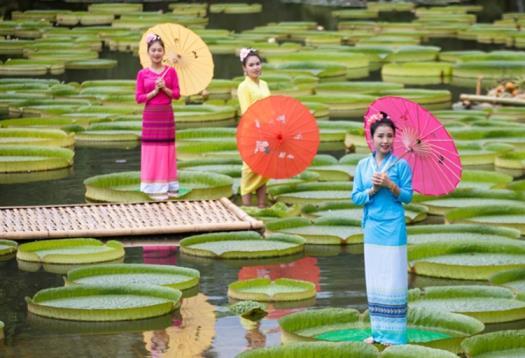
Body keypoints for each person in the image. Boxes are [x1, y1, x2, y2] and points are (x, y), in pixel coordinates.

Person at [351, 111, 413, 346]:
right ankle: (378, 333)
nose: (385, 141)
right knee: (376, 280)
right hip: (373, 227)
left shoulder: (402, 165)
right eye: (381, 136)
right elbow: (355, 197)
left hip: (394, 227)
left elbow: (408, 197)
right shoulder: (362, 165)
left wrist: (391, 185)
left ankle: (395, 337)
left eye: (389, 136)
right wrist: (372, 191)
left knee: (394, 280)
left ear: (394, 139)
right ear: (372, 138)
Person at [135, 33, 181, 201]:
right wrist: (153, 92)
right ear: (148, 52)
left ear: (164, 52)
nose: (156, 53)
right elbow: (138, 98)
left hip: (166, 115)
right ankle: (150, 186)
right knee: (151, 149)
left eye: (159, 50)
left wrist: (165, 89)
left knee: (165, 150)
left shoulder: (171, 72)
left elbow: (176, 95)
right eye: (153, 50)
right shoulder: (142, 74)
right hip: (150, 116)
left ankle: (166, 186)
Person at [237, 48, 270, 208]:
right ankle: (247, 208)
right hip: (252, 132)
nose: (256, 67)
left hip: (267, 131)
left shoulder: (264, 84)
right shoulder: (243, 87)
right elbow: (246, 112)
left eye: (258, 63)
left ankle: (262, 205)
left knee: (264, 169)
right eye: (251, 65)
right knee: (250, 168)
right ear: (245, 68)